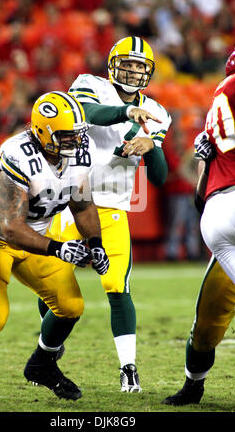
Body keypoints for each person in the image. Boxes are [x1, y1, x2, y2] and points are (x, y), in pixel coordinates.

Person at [0, 91, 110, 407]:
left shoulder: (78, 152)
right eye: (67, 135)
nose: (75, 141)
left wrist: (96, 244)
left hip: (36, 237)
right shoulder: (17, 155)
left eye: (78, 133)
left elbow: (82, 203)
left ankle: (41, 364)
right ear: (44, 132)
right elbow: (12, 228)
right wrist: (58, 248)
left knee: (70, 306)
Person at [38, 36, 172, 392]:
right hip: (72, 200)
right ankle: (48, 351)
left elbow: (159, 177)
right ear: (113, 65)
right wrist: (126, 112)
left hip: (112, 207)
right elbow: (86, 113)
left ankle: (128, 368)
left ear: (149, 72)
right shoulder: (91, 85)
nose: (133, 70)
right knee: (53, 283)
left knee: (117, 286)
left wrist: (150, 148)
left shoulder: (159, 112)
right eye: (127, 63)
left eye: (140, 66)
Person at [163, 45, 235, 406]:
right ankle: (193, 385)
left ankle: (193, 386)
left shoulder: (217, 110)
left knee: (207, 324)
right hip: (230, 214)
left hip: (223, 218)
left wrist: (206, 159)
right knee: (207, 322)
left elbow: (201, 200)